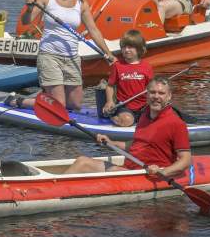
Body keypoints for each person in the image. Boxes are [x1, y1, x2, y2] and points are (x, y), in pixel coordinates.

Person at [11, 0, 116, 111]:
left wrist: (109, 54)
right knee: (59, 105)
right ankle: (20, 101)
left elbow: (94, 30)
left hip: (72, 58)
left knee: (75, 105)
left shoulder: (81, 3)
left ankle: (46, 96)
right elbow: (26, 21)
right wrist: (29, 9)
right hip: (49, 56)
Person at [64, 76, 192, 177]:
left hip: (146, 175)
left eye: (161, 93)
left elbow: (185, 160)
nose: (156, 97)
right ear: (147, 94)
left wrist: (164, 172)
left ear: (169, 96)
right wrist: (110, 142)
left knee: (83, 164)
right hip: (129, 169)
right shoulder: (144, 115)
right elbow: (135, 144)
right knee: (82, 160)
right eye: (152, 92)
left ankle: (53, 191)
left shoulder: (176, 123)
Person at [100, 29, 153, 127]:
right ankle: (113, 116)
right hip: (125, 106)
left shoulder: (147, 67)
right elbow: (110, 86)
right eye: (124, 47)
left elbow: (151, 88)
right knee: (127, 120)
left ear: (139, 49)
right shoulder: (117, 66)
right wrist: (109, 101)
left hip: (144, 106)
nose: (126, 50)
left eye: (130, 47)